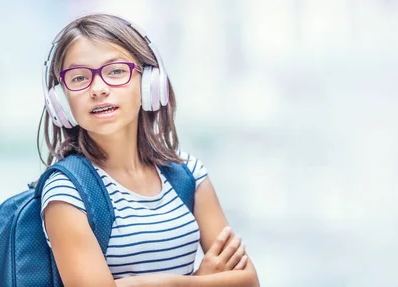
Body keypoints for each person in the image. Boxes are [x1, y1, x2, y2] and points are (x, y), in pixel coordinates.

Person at [37, 13, 259, 287]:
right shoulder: (66, 191)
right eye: (80, 78)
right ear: (60, 100)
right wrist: (197, 280)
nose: (98, 89)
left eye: (116, 71)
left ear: (149, 83)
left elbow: (248, 281)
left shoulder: (189, 174)